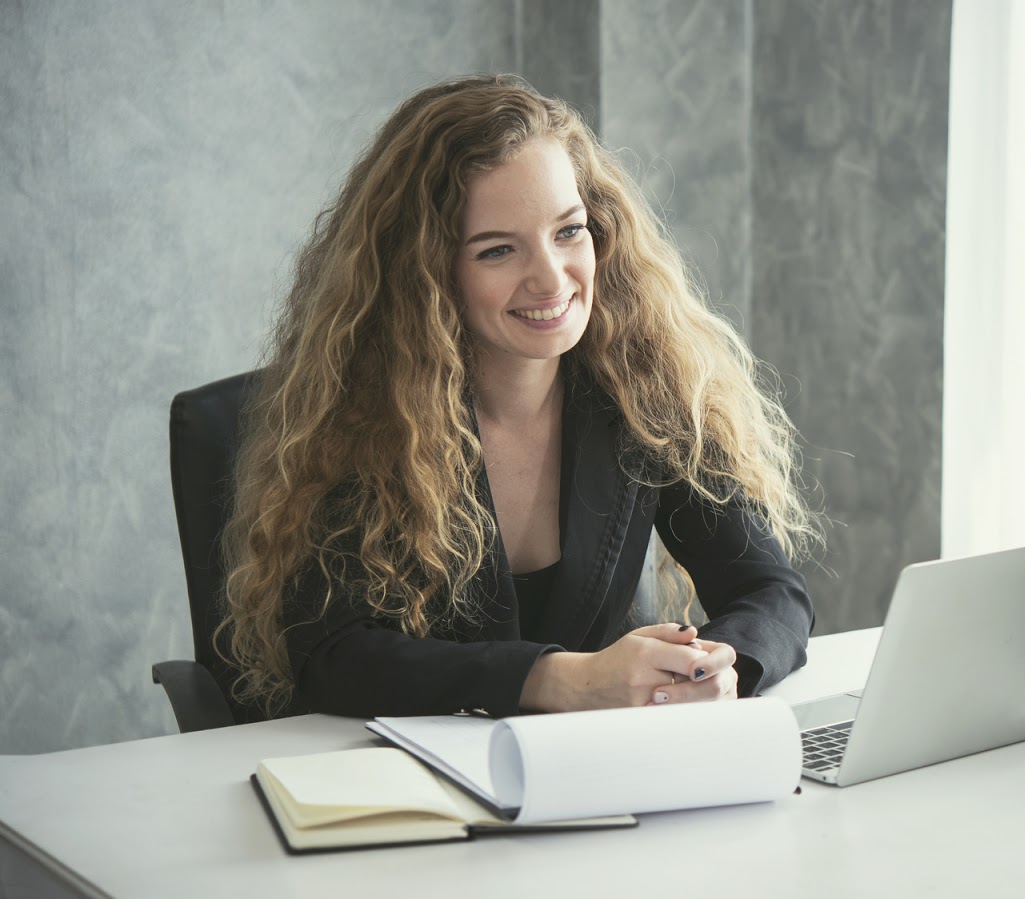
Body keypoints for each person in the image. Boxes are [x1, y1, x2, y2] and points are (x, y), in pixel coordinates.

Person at [218, 75, 820, 720]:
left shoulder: (645, 387)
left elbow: (771, 593)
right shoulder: (360, 418)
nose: (551, 278)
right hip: (407, 782)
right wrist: (557, 681)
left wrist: (715, 669)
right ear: (425, 275)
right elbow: (333, 658)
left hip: (592, 777)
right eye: (498, 250)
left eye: (568, 232)